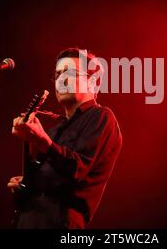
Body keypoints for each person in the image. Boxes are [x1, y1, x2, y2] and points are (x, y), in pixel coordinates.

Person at [8, 48, 122, 229]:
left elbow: (77, 169)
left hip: (60, 221)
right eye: (58, 74)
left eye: (69, 72)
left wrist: (41, 140)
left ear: (92, 82)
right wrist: (27, 181)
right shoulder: (55, 131)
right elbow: (46, 179)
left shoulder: (101, 117)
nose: (61, 79)